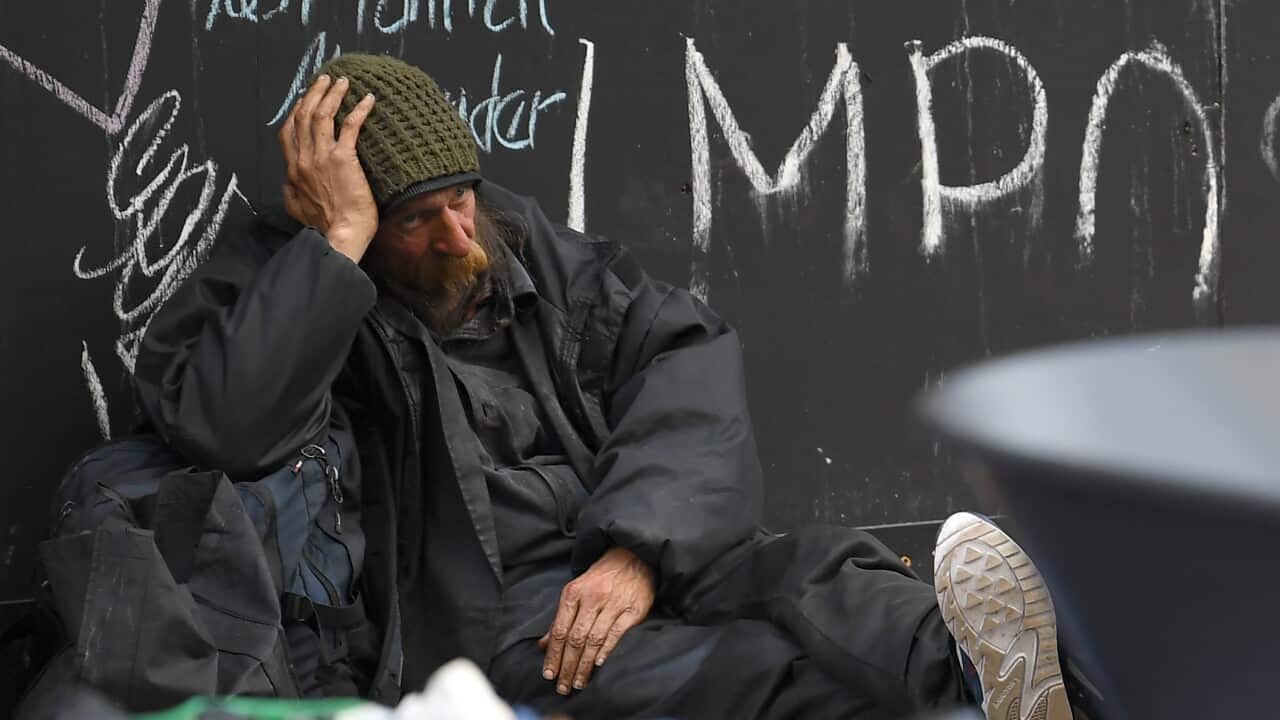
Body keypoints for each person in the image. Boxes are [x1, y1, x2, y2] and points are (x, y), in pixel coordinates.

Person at [133, 53, 1072, 720]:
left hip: (623, 543)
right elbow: (229, 429)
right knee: (746, 672)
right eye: (417, 219)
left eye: (462, 198)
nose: (459, 236)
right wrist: (332, 253)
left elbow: (682, 350)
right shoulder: (278, 281)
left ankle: (999, 677)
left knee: (817, 570)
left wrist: (639, 547)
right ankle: (983, 697)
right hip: (493, 616)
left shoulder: (513, 240)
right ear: (358, 215)